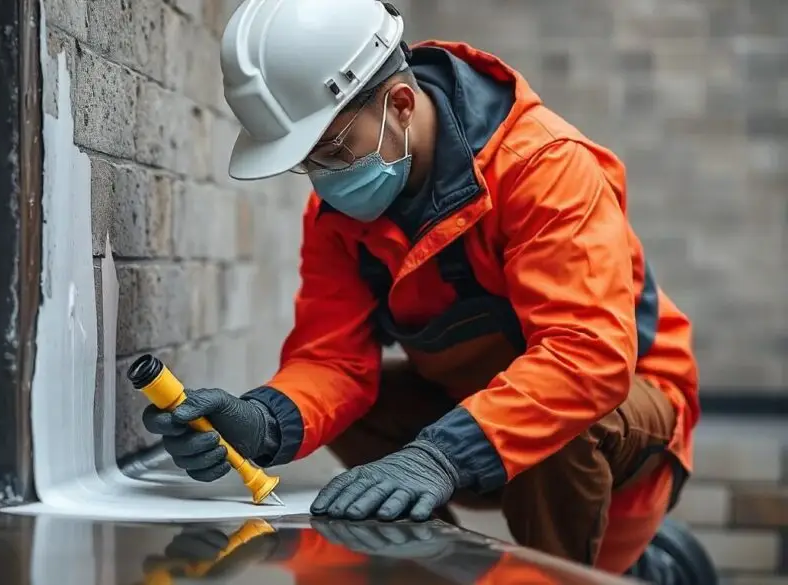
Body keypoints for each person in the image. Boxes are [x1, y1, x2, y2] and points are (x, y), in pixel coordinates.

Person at [141, 0, 717, 582]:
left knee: (562, 422)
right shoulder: (341, 218)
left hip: (621, 423)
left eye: (334, 149)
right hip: (476, 420)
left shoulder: (543, 169)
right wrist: (262, 421)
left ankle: (619, 570)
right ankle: (421, 567)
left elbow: (585, 357)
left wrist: (437, 455)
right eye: (306, 161)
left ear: (400, 103)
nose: (324, 176)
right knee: (363, 411)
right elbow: (332, 360)